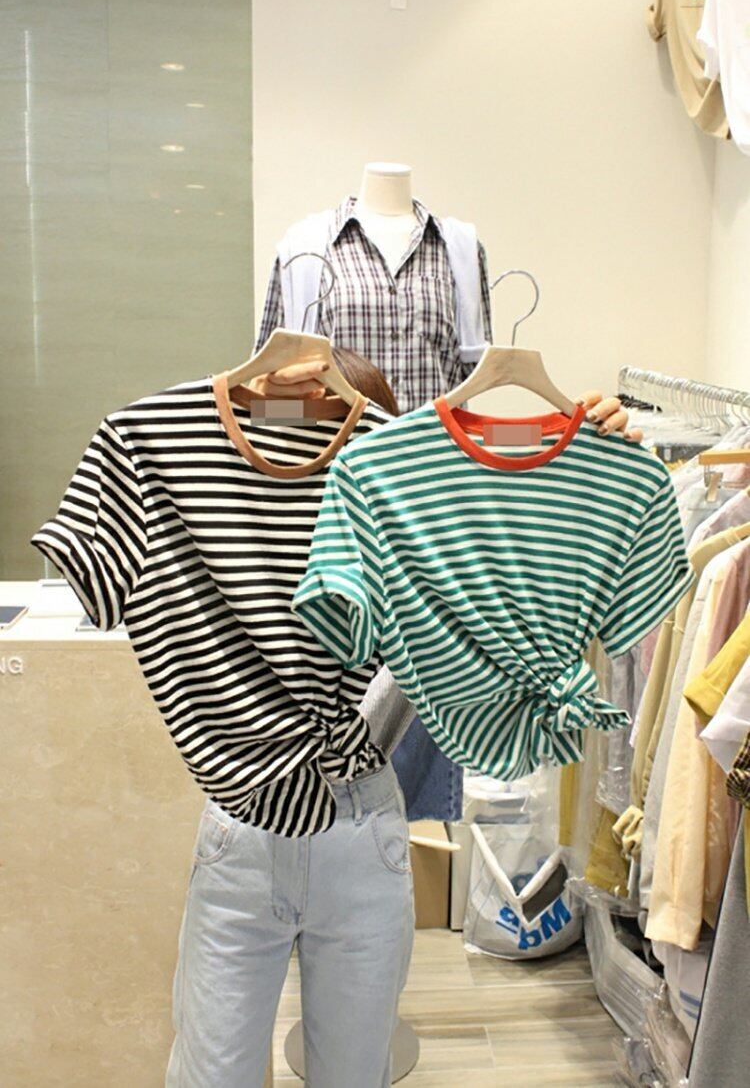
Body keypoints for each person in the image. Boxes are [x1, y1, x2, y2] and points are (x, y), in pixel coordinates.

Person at [166, 351, 639, 1088]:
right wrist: (247, 416)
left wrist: (595, 454)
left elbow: (521, 546)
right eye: (310, 425)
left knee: (352, 1070)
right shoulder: (246, 528)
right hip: (248, 825)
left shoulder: (421, 524)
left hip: (358, 828)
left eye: (351, 430)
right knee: (211, 1072)